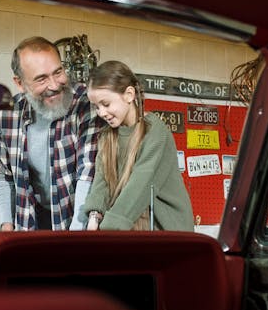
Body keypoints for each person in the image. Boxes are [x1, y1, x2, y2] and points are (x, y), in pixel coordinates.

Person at [0, 36, 103, 230]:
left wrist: (77, 235)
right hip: (33, 219)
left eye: (58, 72)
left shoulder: (86, 104)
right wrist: (7, 226)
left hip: (77, 217)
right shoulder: (7, 116)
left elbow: (88, 172)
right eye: (41, 79)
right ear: (20, 83)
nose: (54, 85)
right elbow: (4, 174)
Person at [83, 60, 194, 231]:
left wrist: (106, 231)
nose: (101, 113)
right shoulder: (107, 136)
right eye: (96, 107)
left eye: (106, 104)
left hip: (168, 234)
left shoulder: (155, 132)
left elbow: (140, 186)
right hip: (131, 229)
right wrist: (93, 217)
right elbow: (102, 181)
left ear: (129, 94)